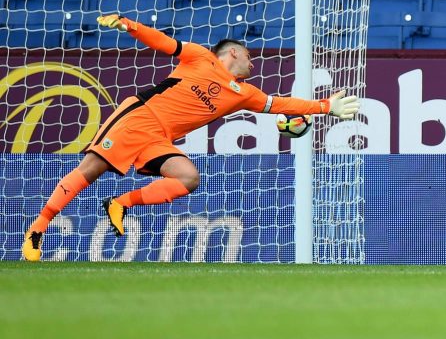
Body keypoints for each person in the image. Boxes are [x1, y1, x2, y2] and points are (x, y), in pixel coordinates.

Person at [22, 14, 360, 261]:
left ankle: (120, 204)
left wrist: (325, 106)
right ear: (233, 53)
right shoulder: (200, 57)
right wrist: (131, 26)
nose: (253, 64)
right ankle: (38, 228)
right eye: (249, 57)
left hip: (161, 138)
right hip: (139, 116)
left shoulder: (245, 93)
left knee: (188, 177)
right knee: (91, 169)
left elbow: (281, 104)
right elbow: (163, 42)